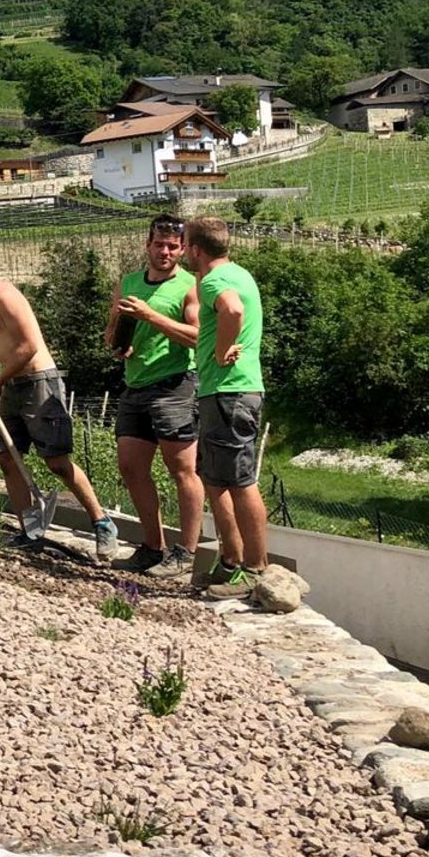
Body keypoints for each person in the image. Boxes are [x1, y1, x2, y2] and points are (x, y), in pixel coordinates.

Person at [0, 245, 119, 561]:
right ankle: (29, 531)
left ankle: (102, 523)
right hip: (13, 384)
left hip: (39, 382)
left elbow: (28, 347)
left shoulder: (5, 296)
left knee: (56, 462)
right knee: (8, 457)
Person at [104, 215, 203, 579]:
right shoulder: (128, 283)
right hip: (135, 384)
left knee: (182, 470)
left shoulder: (188, 286)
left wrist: (150, 316)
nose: (165, 252)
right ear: (147, 245)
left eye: (172, 247)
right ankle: (151, 546)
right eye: (159, 245)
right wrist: (116, 345)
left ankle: (187, 552)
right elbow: (111, 330)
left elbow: (196, 336)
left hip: (174, 384)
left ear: (181, 251)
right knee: (131, 466)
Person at [179, 217, 271, 598]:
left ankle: (255, 568)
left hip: (230, 393)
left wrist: (218, 352)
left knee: (240, 482)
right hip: (230, 393)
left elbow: (231, 311)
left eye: (184, 244)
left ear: (197, 250)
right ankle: (230, 562)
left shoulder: (215, 280)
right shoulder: (240, 273)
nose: (183, 250)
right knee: (217, 481)